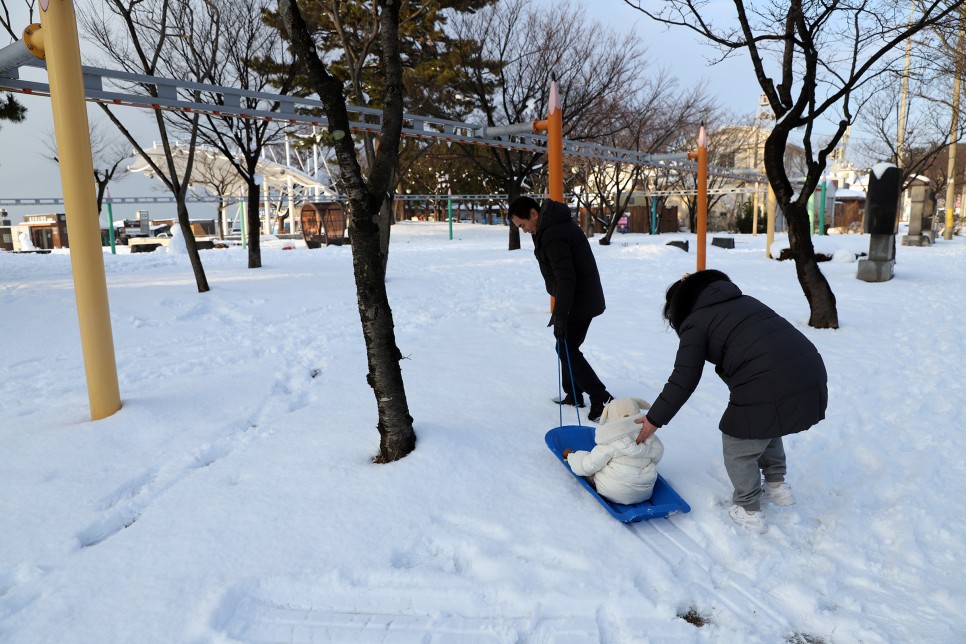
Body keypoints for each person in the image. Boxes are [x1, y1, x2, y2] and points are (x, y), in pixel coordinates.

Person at [634, 270, 827, 533]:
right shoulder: (744, 301)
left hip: (767, 380)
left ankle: (748, 509)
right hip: (809, 368)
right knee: (765, 423)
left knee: (740, 442)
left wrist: (653, 419)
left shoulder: (695, 321)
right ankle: (777, 486)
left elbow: (684, 378)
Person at [508, 196, 613, 422]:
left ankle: (601, 397)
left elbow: (566, 277)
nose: (524, 230)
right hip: (579, 296)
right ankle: (574, 393)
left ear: (534, 214)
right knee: (566, 345)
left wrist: (561, 315)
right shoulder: (549, 228)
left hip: (579, 298)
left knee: (566, 347)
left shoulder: (553, 233)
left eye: (523, 225)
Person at [562, 397, 664, 504]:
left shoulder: (611, 441)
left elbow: (588, 466)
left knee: (593, 462)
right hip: (645, 492)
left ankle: (573, 455)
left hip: (612, 491)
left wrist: (572, 458)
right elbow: (656, 458)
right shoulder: (651, 438)